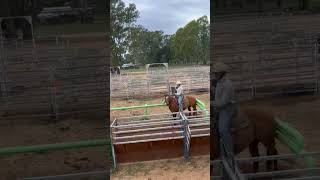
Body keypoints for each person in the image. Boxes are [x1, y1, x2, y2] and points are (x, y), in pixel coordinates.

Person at [212, 62, 236, 155]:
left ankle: (229, 151)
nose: (214, 75)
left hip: (227, 108)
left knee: (223, 129)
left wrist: (211, 103)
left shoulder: (227, 84)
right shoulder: (219, 83)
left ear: (221, 73)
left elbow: (223, 103)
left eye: (216, 73)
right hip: (219, 107)